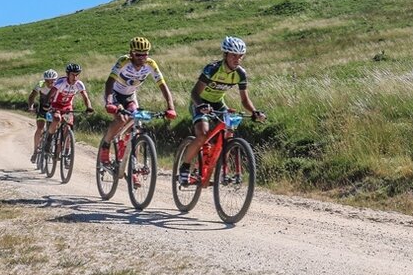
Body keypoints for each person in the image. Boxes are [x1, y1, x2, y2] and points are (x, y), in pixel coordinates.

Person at [178, 36, 266, 185]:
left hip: (218, 103)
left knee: (229, 132)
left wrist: (254, 112)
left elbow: (244, 100)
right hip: (200, 102)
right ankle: (185, 168)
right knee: (203, 134)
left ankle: (220, 168)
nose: (237, 59)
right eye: (233, 55)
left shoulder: (240, 74)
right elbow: (194, 93)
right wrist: (200, 106)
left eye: (240, 56)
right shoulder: (212, 69)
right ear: (225, 55)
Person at [98, 36, 177, 164]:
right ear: (131, 54)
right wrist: (109, 102)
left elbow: (163, 85)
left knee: (137, 125)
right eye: (138, 54)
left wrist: (171, 107)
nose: (142, 58)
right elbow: (109, 82)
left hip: (130, 96)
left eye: (145, 54)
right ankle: (105, 145)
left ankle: (133, 165)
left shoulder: (151, 64)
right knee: (121, 119)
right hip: (115, 93)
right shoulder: (123, 61)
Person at [47, 63, 95, 142]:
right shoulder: (61, 82)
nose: (75, 77)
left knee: (69, 124)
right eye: (73, 75)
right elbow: (51, 93)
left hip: (67, 106)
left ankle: (66, 147)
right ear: (68, 74)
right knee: (56, 118)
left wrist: (89, 107)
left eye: (77, 75)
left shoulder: (79, 84)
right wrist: (47, 103)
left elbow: (85, 97)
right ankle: (49, 138)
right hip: (56, 104)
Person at [27, 68, 58, 163]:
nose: (50, 83)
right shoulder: (40, 84)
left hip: (54, 108)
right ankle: (35, 151)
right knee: (40, 128)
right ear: (44, 80)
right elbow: (32, 96)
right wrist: (31, 106)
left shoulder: (59, 85)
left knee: (56, 125)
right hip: (42, 108)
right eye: (47, 81)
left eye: (52, 81)